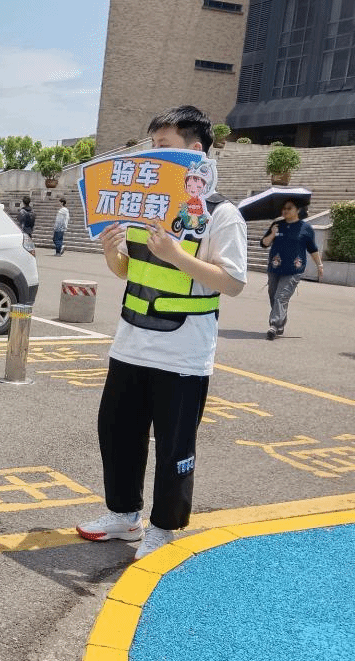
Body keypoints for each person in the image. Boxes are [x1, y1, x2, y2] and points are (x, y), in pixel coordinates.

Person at [75, 105, 248, 560]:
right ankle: (122, 515)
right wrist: (113, 253)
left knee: (175, 447)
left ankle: (163, 527)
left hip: (184, 354)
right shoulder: (143, 206)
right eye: (152, 147)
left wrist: (177, 254)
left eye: (164, 147)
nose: (153, 157)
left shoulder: (221, 214)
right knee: (116, 433)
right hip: (131, 344)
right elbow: (127, 271)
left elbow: (232, 282)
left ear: (195, 153)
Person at [260, 199, 322, 340]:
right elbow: (264, 243)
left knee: (281, 297)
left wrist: (319, 265)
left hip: (294, 270)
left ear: (298, 210)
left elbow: (312, 249)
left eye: (289, 208)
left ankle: (274, 325)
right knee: (273, 295)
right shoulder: (276, 225)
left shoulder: (306, 228)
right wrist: (272, 234)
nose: (285, 211)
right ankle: (280, 324)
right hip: (274, 268)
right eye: (284, 208)